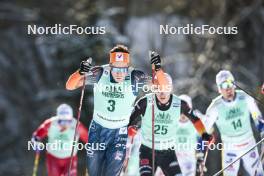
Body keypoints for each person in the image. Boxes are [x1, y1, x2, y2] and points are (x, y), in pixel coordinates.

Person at [65, 44, 168, 176]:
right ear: (110, 65)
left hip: (118, 133)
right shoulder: (100, 73)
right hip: (98, 130)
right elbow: (70, 85)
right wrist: (80, 72)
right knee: (94, 173)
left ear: (128, 67)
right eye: (116, 69)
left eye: (123, 69)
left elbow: (163, 88)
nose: (119, 74)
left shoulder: (135, 77)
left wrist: (158, 70)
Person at [128, 73, 213, 176]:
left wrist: (204, 134)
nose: (162, 93)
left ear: (171, 88)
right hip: (148, 151)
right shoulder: (145, 102)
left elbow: (195, 120)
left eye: (165, 88)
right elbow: (129, 121)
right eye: (158, 88)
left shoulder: (180, 104)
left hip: (168, 153)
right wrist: (130, 129)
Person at [201, 70, 264, 176]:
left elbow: (257, 117)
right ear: (219, 89)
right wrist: (206, 138)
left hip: (248, 144)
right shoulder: (215, 107)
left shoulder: (245, 98)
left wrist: (262, 129)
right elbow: (204, 129)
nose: (228, 88)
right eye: (224, 85)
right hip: (230, 149)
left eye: (230, 83)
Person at [31, 103, 88, 176]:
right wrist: (36, 142)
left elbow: (87, 138)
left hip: (70, 158)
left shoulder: (76, 125)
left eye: (67, 121)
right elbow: (36, 135)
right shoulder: (50, 123)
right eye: (62, 121)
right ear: (58, 118)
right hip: (53, 157)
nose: (64, 125)